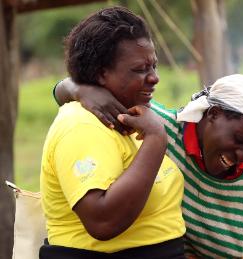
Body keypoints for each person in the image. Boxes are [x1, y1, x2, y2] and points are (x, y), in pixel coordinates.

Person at [55, 74, 243, 258]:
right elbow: (64, 89)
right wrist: (81, 90)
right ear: (213, 114)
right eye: (239, 140)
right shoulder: (159, 129)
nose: (242, 155)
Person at [39, 6, 186, 259]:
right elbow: (103, 221)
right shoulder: (82, 125)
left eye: (154, 66)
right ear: (101, 74)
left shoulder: (136, 113)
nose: (154, 78)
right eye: (140, 69)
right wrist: (155, 140)